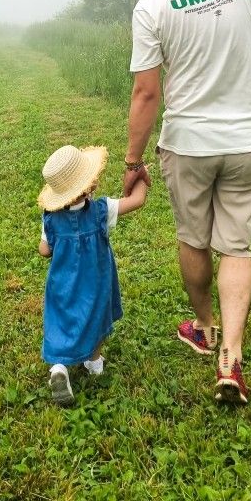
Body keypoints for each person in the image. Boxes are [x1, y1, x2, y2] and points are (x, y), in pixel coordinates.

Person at [124, 0, 251, 405]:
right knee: (237, 247)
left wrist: (133, 162)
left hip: (189, 146)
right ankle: (232, 358)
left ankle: (204, 328)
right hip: (247, 141)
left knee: (194, 239)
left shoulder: (152, 4)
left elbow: (146, 94)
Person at [38, 143, 148, 406]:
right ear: (88, 185)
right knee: (97, 314)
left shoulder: (50, 217)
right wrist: (142, 175)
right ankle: (94, 361)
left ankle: (59, 368)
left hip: (62, 282)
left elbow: (44, 250)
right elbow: (138, 200)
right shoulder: (101, 209)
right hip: (96, 280)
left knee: (62, 318)